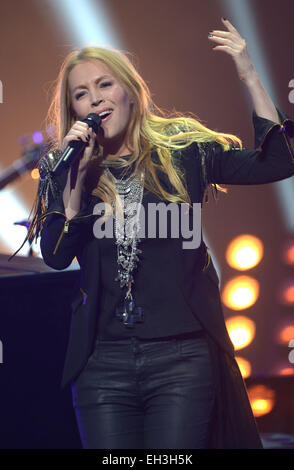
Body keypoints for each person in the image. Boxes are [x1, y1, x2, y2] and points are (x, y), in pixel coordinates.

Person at [14, 18, 294, 449]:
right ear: (72, 109)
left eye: (105, 85)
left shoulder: (184, 153)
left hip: (181, 357)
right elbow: (54, 254)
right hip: (102, 363)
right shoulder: (64, 168)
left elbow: (277, 163)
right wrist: (75, 182)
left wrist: (249, 74)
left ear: (129, 90)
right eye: (81, 93)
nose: (95, 99)